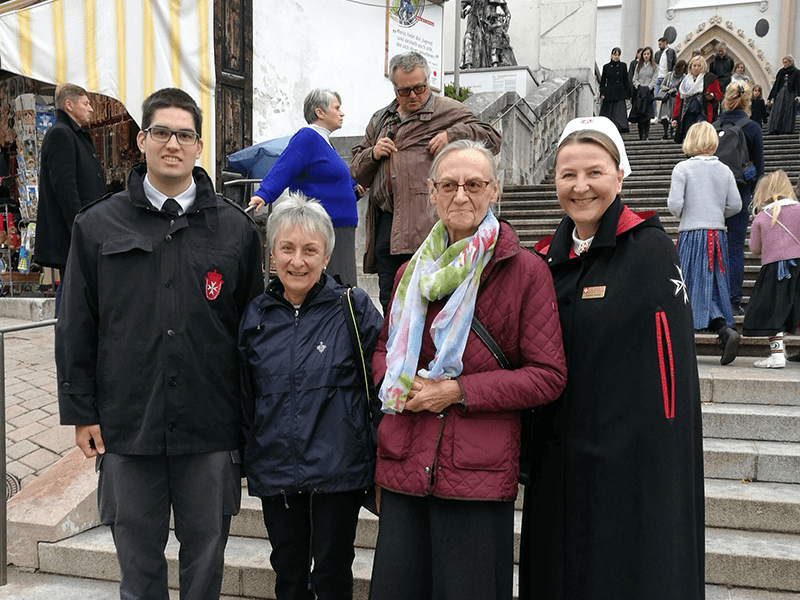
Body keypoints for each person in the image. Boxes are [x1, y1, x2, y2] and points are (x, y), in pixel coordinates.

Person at [56, 88, 264, 600]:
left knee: (206, 560)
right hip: (129, 424)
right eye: (162, 132)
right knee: (137, 561)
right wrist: (82, 411)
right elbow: (76, 325)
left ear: (199, 147)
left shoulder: (236, 231)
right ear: (142, 140)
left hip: (210, 427)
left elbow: (252, 334)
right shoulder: (96, 226)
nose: (174, 143)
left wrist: (251, 423)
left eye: (186, 134)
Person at [368, 139, 567, 600]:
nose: (461, 195)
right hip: (405, 466)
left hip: (475, 474)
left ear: (494, 190)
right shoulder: (409, 274)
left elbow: (547, 375)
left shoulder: (524, 272)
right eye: (449, 185)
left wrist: (457, 391)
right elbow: (382, 352)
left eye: (474, 184)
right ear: (431, 193)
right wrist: (399, 381)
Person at [522, 116, 705, 600]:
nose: (580, 187)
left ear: (619, 175)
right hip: (559, 458)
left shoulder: (649, 251)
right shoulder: (542, 259)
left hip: (630, 462)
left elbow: (668, 377)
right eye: (567, 174)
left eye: (595, 172)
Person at [239, 192, 383, 600]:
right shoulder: (256, 318)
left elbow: (380, 388)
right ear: (272, 254)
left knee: (333, 573)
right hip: (277, 472)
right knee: (288, 573)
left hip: (338, 473)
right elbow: (245, 397)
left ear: (325, 257)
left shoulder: (351, 309)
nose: (297, 261)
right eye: (286, 248)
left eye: (309, 250)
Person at [351, 51, 502, 312]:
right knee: (391, 300)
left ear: (429, 80)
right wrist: (373, 153)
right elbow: (356, 170)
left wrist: (453, 134)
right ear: (394, 87)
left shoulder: (448, 111)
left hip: (428, 222)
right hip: (387, 224)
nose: (413, 96)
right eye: (404, 91)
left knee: (431, 298)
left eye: (419, 88)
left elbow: (493, 138)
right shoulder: (380, 120)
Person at [248, 89, 362, 286]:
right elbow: (285, 166)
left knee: (342, 285)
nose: (342, 113)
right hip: (326, 226)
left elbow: (330, 178)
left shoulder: (325, 142)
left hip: (340, 225)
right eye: (337, 107)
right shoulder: (308, 137)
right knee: (335, 286)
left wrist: (354, 189)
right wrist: (264, 193)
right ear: (320, 112)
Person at [667, 121, 742, 364]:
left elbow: (674, 205)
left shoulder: (682, 168)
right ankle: (724, 329)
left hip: (691, 233)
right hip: (717, 235)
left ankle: (684, 342)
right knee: (712, 285)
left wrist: (688, 213)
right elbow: (737, 206)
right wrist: (716, 212)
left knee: (685, 285)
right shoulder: (725, 170)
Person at [36, 83, 107, 315]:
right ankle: (65, 342)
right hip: (73, 230)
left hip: (80, 227)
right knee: (70, 288)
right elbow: (65, 187)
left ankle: (68, 341)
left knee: (75, 287)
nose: (91, 109)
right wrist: (80, 226)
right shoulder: (61, 134)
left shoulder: (70, 133)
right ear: (69, 105)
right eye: (86, 103)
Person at [743, 170, 800, 369]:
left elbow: (755, 249)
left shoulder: (762, 216)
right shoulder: (799, 209)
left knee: (772, 308)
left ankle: (777, 354)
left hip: (774, 268)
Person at [717, 82, 765, 315]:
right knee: (735, 248)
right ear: (747, 102)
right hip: (740, 190)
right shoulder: (753, 127)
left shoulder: (712, 127)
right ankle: (734, 301)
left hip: (714, 192)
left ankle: (712, 298)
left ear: (725, 100)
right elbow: (759, 168)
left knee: (713, 247)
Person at [672, 55, 722, 144]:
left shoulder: (710, 79)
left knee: (702, 136)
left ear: (703, 66)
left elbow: (719, 95)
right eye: (694, 66)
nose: (696, 68)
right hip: (687, 114)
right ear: (690, 67)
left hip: (703, 112)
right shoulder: (685, 81)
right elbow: (678, 100)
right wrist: (675, 117)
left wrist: (712, 96)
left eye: (699, 66)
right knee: (689, 138)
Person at [599, 47, 632, 133]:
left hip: (620, 93)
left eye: (618, 55)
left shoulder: (623, 66)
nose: (616, 57)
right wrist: (602, 93)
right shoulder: (606, 67)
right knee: (609, 113)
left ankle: (620, 127)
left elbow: (626, 80)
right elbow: (603, 81)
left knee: (619, 112)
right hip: (609, 93)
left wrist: (628, 94)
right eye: (615, 54)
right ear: (611, 55)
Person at [628, 46, 658, 140]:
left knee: (647, 115)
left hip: (648, 92)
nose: (646, 56)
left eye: (648, 54)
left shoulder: (654, 66)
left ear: (651, 55)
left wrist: (648, 88)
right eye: (644, 54)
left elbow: (655, 79)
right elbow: (634, 78)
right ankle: (641, 135)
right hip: (639, 92)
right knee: (640, 115)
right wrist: (639, 87)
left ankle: (647, 135)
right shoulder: (638, 66)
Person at [767, 55, 800, 135]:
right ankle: (776, 128)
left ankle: (787, 129)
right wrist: (770, 97)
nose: (784, 64)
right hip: (781, 93)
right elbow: (776, 84)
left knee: (788, 111)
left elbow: (798, 84)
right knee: (778, 111)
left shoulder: (796, 72)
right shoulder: (781, 72)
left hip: (791, 93)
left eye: (786, 62)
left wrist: (799, 95)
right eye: (784, 63)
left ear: (790, 62)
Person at [657, 59, 687, 139]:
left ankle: (672, 132)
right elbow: (662, 85)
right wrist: (666, 89)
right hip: (667, 99)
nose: (682, 69)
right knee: (665, 117)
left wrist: (673, 90)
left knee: (673, 117)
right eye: (681, 67)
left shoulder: (684, 77)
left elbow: (683, 88)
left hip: (676, 99)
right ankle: (665, 132)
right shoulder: (669, 75)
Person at [654, 37, 677, 114]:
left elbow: (674, 64)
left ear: (665, 43)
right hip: (659, 77)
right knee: (655, 96)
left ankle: (668, 114)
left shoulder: (671, 52)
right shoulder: (657, 53)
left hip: (667, 78)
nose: (659, 46)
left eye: (660, 44)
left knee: (667, 98)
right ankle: (655, 115)